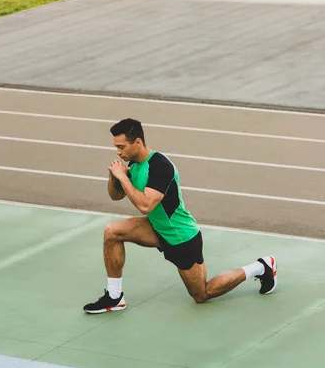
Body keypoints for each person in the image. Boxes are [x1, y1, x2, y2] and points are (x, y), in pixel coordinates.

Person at [83, 118, 277, 314]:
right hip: (156, 228)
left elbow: (144, 205)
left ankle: (261, 267)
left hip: (181, 236)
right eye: (116, 147)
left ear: (138, 142)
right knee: (112, 232)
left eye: (121, 146)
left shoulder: (160, 166)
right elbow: (116, 196)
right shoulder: (133, 164)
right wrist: (114, 176)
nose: (118, 152)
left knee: (202, 294)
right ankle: (115, 297)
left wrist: (123, 177)